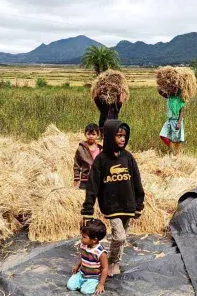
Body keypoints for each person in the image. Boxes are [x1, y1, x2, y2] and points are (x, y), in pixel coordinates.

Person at [81, 120, 145, 276]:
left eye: (124, 136)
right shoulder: (101, 160)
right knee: (120, 236)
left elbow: (137, 181)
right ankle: (110, 260)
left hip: (128, 205)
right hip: (111, 206)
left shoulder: (128, 158)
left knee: (122, 237)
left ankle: (115, 262)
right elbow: (93, 186)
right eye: (118, 136)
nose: (122, 139)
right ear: (110, 137)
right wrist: (88, 209)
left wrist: (139, 204)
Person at [67, 219, 108, 295]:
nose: (81, 238)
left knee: (85, 291)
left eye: (84, 237)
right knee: (70, 286)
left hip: (93, 277)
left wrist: (101, 284)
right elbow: (84, 257)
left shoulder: (100, 253)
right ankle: (82, 282)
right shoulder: (83, 245)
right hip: (81, 274)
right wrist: (77, 266)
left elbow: (105, 268)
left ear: (94, 240)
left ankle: (92, 284)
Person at [73, 123, 102, 189]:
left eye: (93, 134)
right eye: (89, 134)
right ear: (85, 134)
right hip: (85, 179)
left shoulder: (100, 149)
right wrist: (76, 178)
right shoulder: (81, 149)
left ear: (97, 135)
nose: (91, 136)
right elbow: (76, 164)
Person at [159, 89, 185, 155]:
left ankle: (176, 154)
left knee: (176, 140)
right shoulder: (169, 97)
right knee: (162, 135)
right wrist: (160, 85)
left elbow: (182, 112)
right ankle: (172, 149)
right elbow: (160, 92)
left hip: (176, 121)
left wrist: (179, 123)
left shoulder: (181, 99)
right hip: (169, 120)